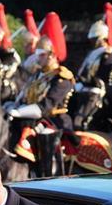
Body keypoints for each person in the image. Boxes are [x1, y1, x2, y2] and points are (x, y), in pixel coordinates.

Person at [5, 12, 74, 176]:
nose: (37, 58)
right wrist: (13, 105)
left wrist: (19, 111)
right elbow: (24, 95)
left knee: (44, 133)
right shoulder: (38, 75)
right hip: (33, 118)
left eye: (41, 54)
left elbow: (46, 106)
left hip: (55, 121)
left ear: (51, 55)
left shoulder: (62, 77)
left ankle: (48, 177)